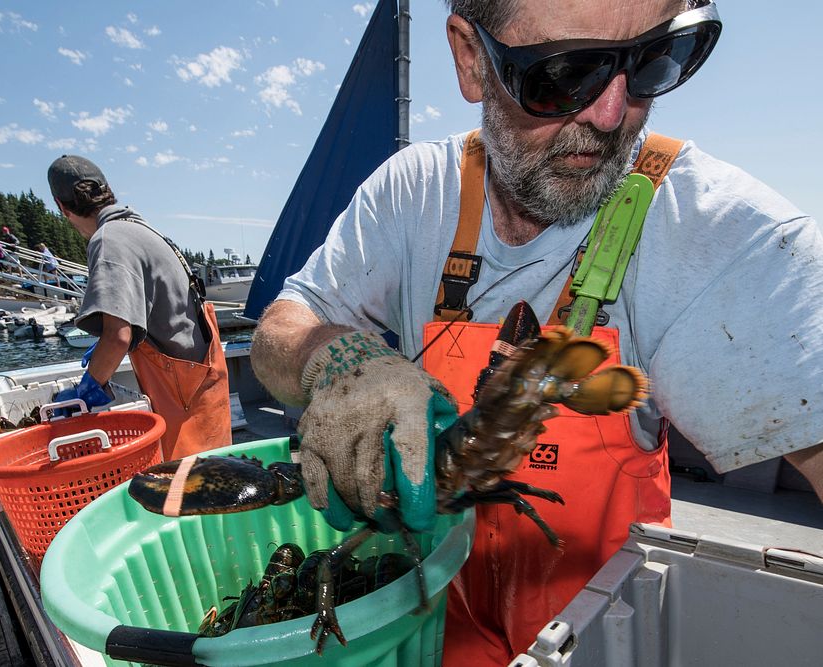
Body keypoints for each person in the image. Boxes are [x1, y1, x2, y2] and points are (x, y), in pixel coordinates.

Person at [248, 1, 823, 664]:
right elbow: (283, 325)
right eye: (562, 73)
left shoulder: (716, 231)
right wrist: (334, 356)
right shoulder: (413, 194)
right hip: (437, 627)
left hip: (604, 637)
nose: (611, 116)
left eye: (655, 60)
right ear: (469, 58)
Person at [48, 155, 232, 461]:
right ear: (107, 189)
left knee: (186, 492)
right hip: (205, 384)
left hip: (182, 397)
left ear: (62, 207)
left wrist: (88, 389)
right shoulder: (144, 229)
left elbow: (117, 336)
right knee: (218, 483)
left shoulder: (108, 239)